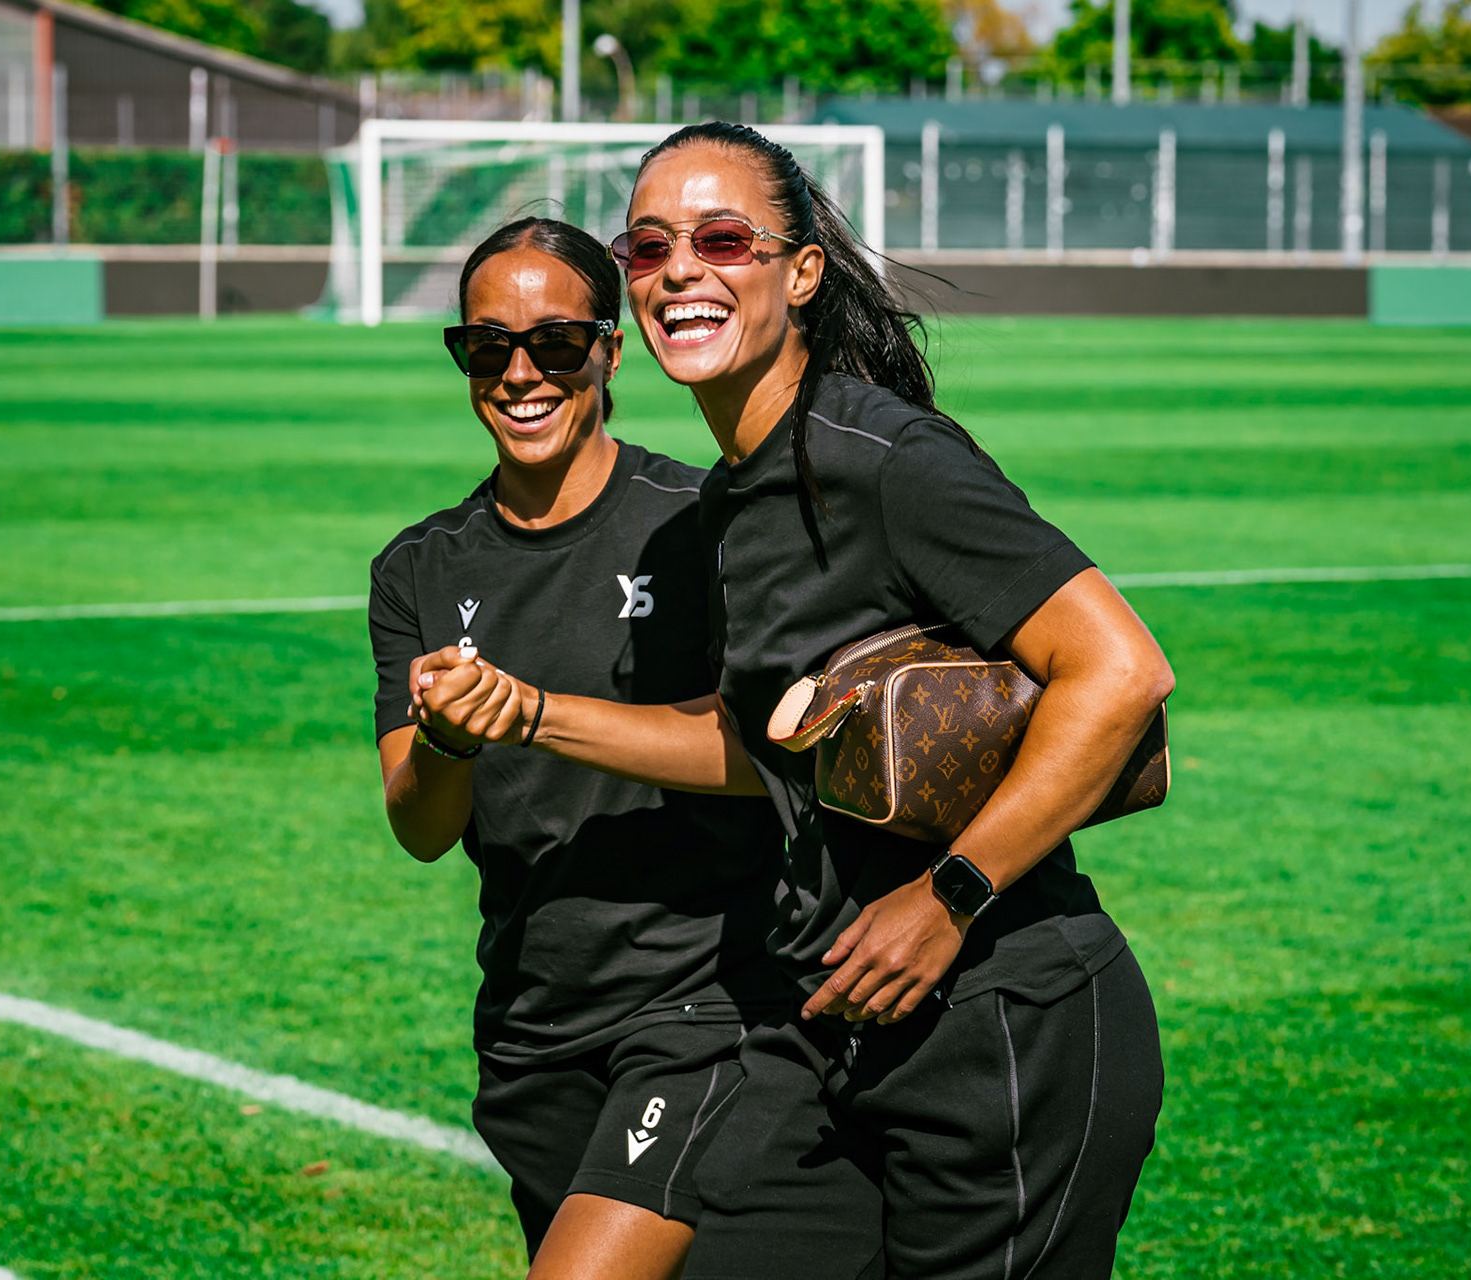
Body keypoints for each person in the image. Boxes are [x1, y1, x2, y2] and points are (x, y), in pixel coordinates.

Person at [411, 125, 1174, 1279]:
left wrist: (951, 892)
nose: (681, 269)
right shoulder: (731, 498)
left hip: (1000, 1016)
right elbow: (753, 743)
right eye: (650, 246)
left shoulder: (876, 454)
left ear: (802, 270)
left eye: (723, 239)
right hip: (836, 1023)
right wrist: (527, 712)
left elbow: (1121, 671)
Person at [369, 216, 792, 1280]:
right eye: (487, 348)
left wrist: (533, 711)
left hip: (701, 1005)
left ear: (610, 350)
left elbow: (769, 759)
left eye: (556, 344)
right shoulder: (418, 568)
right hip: (532, 1027)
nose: (521, 375)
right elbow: (420, 826)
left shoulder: (702, 521)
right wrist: (449, 741)